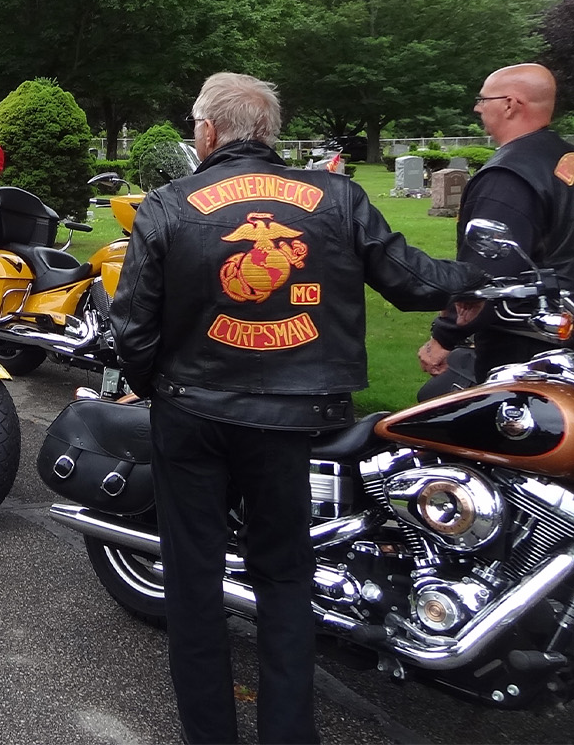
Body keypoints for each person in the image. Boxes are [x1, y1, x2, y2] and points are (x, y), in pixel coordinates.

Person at [110, 72, 485, 745]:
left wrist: (152, 382)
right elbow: (411, 279)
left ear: (206, 131)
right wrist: (479, 279)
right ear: (267, 131)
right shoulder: (335, 196)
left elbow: (132, 326)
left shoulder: (169, 203)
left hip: (192, 414)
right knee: (284, 579)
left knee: (193, 589)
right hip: (292, 419)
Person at [419, 62, 574, 385]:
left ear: (510, 104)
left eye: (483, 99)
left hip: (527, 342)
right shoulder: (564, 159)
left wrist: (444, 338)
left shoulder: (509, 175)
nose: (477, 108)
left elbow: (488, 273)